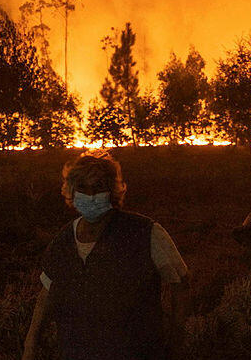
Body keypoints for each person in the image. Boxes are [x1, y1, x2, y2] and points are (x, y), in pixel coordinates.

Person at [22, 150, 190, 360]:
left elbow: (180, 283)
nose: (90, 195)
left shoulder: (145, 232)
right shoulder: (63, 240)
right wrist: (30, 345)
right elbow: (46, 294)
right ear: (72, 192)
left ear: (112, 191)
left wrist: (176, 341)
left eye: (98, 187)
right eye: (83, 188)